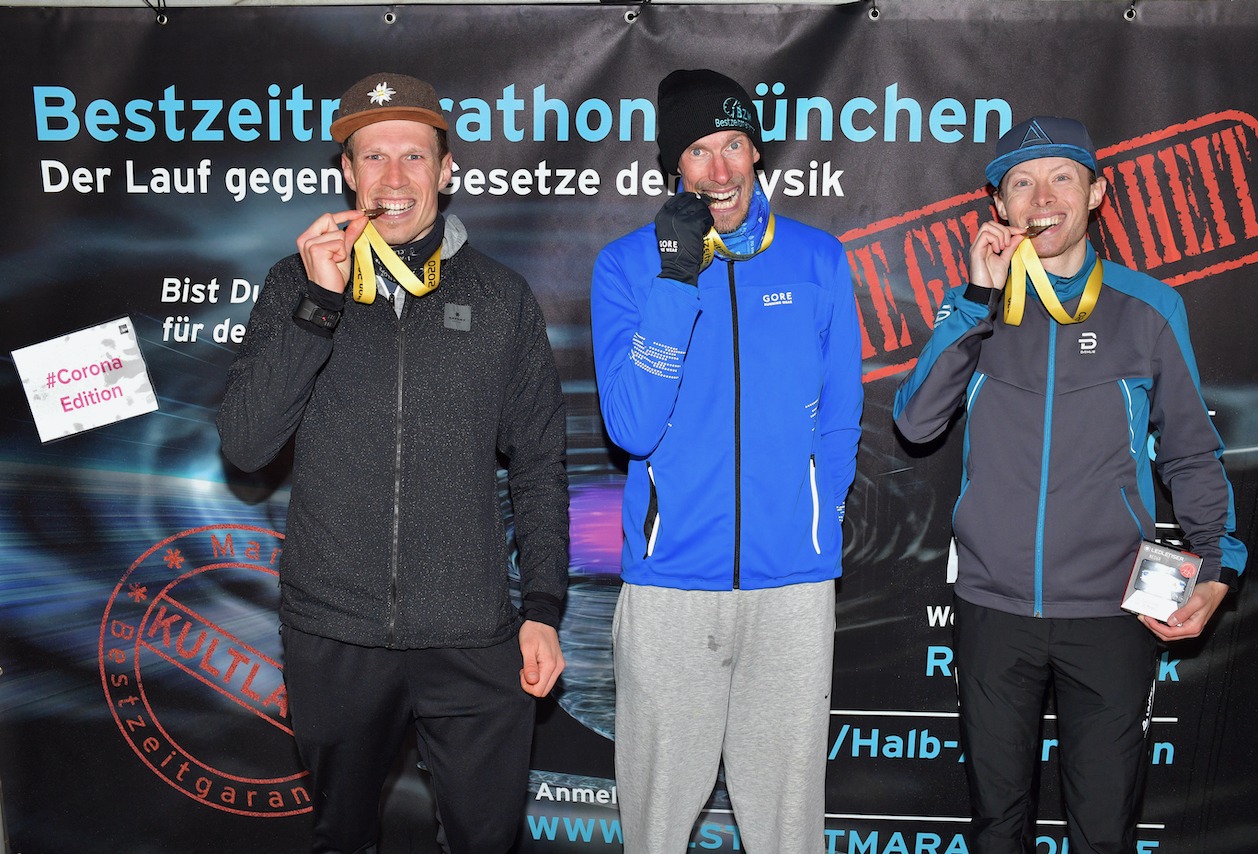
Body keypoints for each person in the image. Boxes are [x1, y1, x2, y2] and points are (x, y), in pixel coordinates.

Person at [216, 72, 569, 854]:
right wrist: (319, 304)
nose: (394, 179)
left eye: (414, 156)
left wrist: (543, 605)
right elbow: (245, 445)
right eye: (373, 157)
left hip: (474, 633)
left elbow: (541, 461)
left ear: (448, 170)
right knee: (344, 840)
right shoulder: (295, 286)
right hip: (334, 631)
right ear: (347, 173)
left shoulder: (502, 298)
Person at [893, 116, 1247, 854]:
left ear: (1097, 192)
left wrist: (1216, 569)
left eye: (1061, 177)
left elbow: (1188, 451)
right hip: (994, 607)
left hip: (1115, 608)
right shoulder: (977, 306)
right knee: (997, 828)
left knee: (1104, 833)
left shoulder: (1148, 307)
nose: (1041, 197)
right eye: (1020, 182)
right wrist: (973, 302)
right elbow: (917, 422)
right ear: (999, 207)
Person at [591, 69, 863, 854]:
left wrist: (818, 520)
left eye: (734, 145)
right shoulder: (627, 266)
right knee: (653, 829)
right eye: (698, 152)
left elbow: (841, 413)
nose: (719, 171)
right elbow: (633, 427)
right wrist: (678, 280)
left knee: (787, 830)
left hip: (792, 588)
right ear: (673, 167)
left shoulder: (817, 258)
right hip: (670, 584)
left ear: (757, 152)